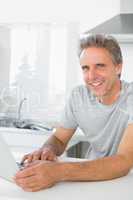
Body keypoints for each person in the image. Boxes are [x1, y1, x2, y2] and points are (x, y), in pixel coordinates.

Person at [14, 34, 133, 192]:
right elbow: (58, 139)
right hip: (92, 182)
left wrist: (57, 171)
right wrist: (48, 150)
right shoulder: (79, 96)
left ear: (118, 67)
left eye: (100, 66)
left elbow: (124, 162)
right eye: (86, 68)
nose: (91, 76)